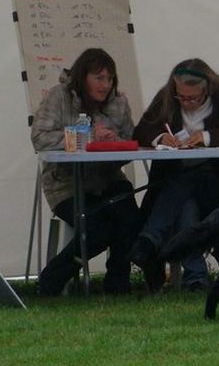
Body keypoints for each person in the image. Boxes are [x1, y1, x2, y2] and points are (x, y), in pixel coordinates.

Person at [130, 58, 219, 292]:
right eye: (181, 97)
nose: (186, 102)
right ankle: (195, 279)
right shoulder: (166, 99)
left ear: (207, 90)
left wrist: (207, 138)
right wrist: (160, 138)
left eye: (193, 98)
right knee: (187, 204)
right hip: (177, 195)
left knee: (188, 178)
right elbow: (142, 130)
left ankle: (149, 240)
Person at [31, 47, 141, 295]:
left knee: (129, 218)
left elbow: (130, 140)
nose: (105, 85)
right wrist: (88, 137)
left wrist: (113, 141)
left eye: (110, 78)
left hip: (108, 178)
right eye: (99, 78)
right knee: (100, 229)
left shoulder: (119, 102)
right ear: (83, 77)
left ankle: (117, 284)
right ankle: (51, 279)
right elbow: (40, 138)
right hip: (66, 184)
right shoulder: (58, 96)